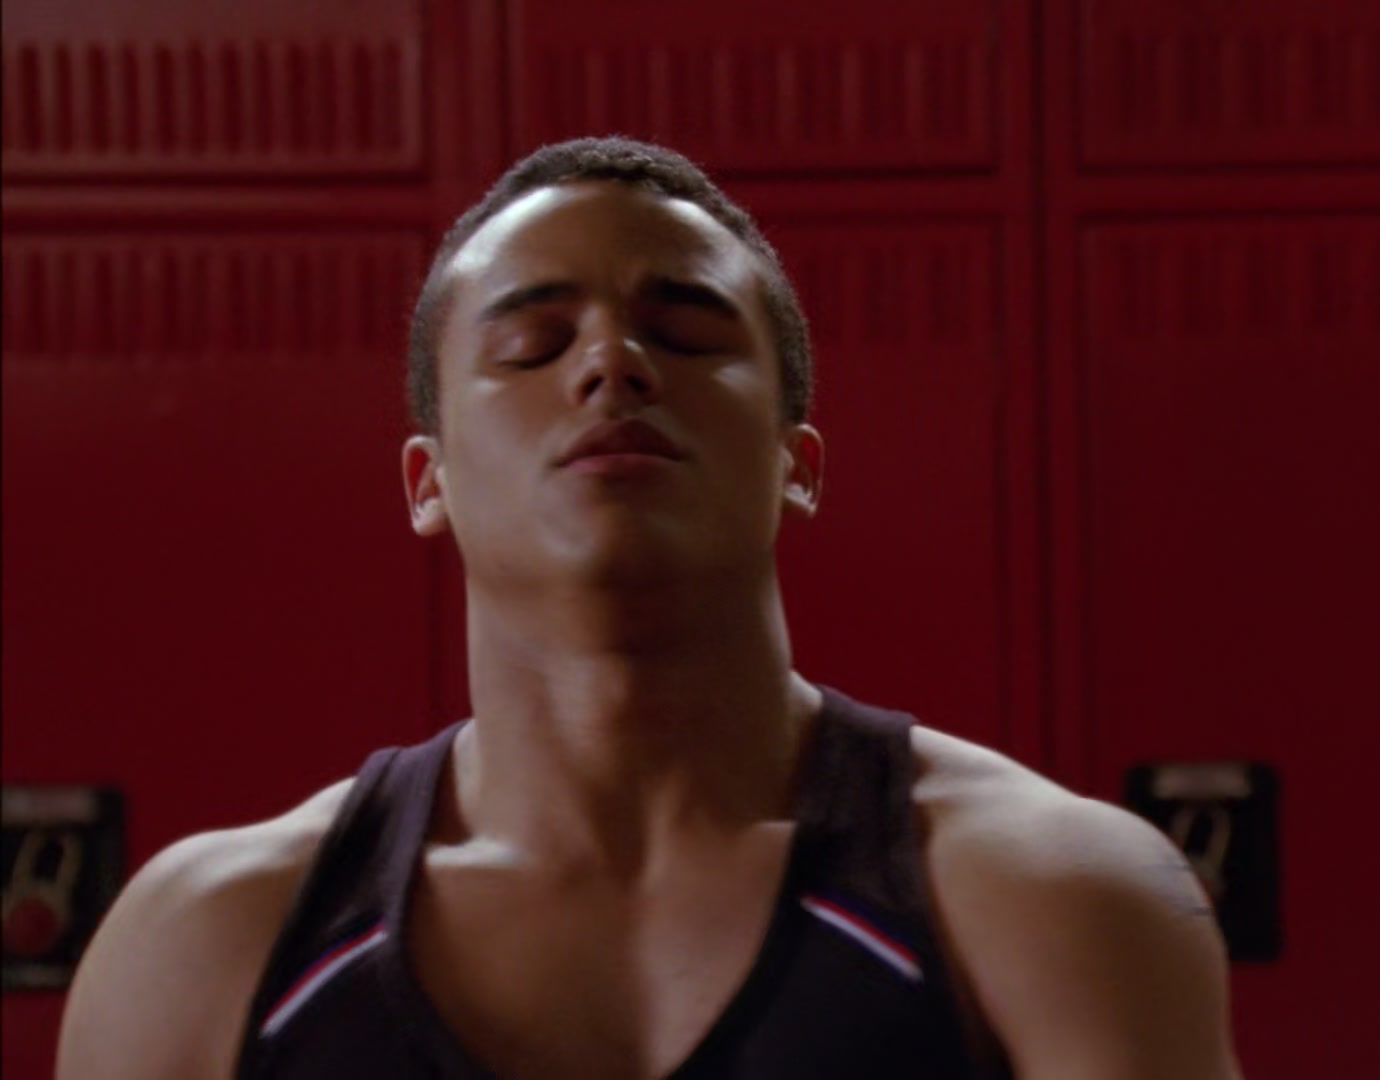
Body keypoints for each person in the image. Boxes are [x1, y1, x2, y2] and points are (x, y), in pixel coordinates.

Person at [55, 137, 1242, 1079]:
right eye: (533, 345)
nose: (611, 363)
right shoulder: (206, 945)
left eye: (683, 334)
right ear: (429, 483)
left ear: (796, 463)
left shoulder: (1056, 899)